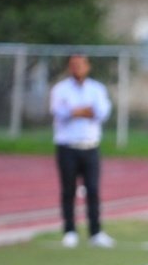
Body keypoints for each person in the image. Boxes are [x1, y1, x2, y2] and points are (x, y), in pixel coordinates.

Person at [49, 54, 115, 248]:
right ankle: (70, 231)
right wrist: (81, 111)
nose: (77, 68)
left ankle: (96, 232)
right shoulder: (60, 89)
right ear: (69, 67)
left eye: (80, 65)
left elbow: (101, 113)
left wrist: (77, 111)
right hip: (67, 146)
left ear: (88, 67)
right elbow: (60, 112)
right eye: (73, 65)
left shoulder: (97, 89)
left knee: (93, 190)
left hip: (90, 146)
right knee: (68, 190)